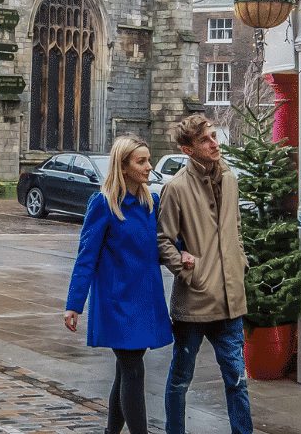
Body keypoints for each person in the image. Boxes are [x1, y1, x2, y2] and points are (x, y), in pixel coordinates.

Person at [64, 136, 173, 434]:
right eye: (141, 161)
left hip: (145, 299)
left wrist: (184, 253)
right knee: (133, 370)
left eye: (149, 160)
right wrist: (74, 305)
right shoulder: (103, 203)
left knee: (125, 371)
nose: (149, 167)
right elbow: (86, 257)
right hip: (117, 302)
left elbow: (163, 246)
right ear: (122, 167)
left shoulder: (152, 202)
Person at [157, 114, 252, 434]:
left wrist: (240, 262)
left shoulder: (230, 179)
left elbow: (234, 230)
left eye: (214, 136)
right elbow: (162, 240)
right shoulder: (176, 188)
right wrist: (186, 270)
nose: (215, 143)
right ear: (188, 150)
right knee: (181, 380)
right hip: (195, 303)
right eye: (205, 140)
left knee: (237, 380)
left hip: (230, 301)